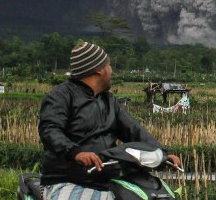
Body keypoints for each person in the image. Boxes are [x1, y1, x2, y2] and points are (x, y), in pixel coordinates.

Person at [39, 41, 182, 199]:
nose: (111, 71)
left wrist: (161, 152)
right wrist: (75, 152)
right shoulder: (61, 96)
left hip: (108, 179)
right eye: (109, 65)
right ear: (99, 70)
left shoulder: (109, 101)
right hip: (69, 180)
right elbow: (50, 129)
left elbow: (133, 130)